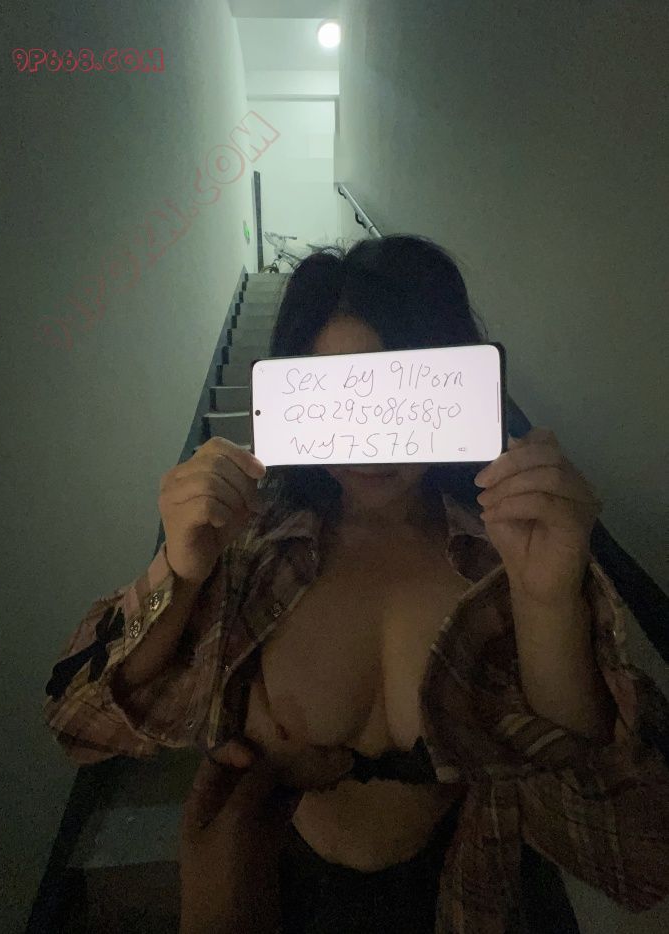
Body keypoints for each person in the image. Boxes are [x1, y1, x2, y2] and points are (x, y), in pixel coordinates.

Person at [44, 235, 669, 934]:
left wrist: (547, 600)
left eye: (402, 395)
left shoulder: (505, 556)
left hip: (479, 895)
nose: (372, 440)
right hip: (275, 891)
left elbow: (633, 855)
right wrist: (178, 574)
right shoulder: (251, 548)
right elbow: (80, 725)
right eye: (339, 398)